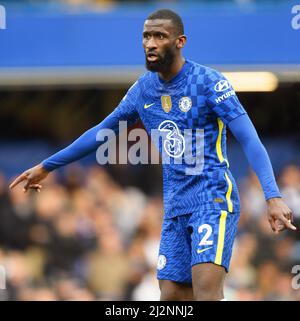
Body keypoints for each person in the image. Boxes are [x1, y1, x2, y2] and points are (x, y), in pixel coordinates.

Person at [10, 9, 296, 301]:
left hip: (212, 199)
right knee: (170, 296)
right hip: (175, 208)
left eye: (160, 36)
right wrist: (47, 166)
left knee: (205, 291)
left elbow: (249, 139)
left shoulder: (209, 83)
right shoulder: (143, 90)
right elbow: (101, 133)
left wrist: (272, 196)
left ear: (180, 41)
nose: (150, 43)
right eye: (147, 36)